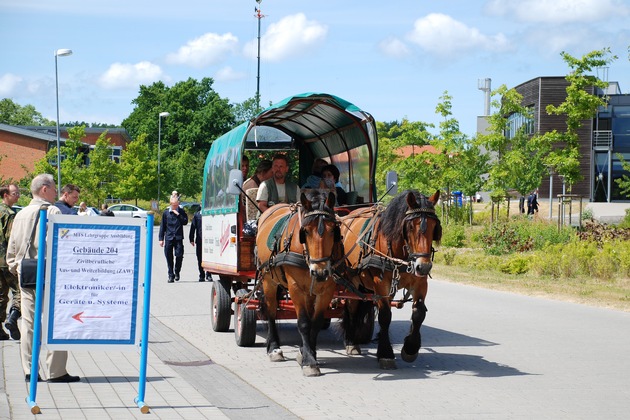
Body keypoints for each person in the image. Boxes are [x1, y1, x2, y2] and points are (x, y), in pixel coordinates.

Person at [6, 174, 80, 382]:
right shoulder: (52, 211)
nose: (57, 193)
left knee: (29, 322)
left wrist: (18, 268)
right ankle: (56, 370)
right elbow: (61, 245)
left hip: (27, 274)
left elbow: (11, 251)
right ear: (44, 189)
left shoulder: (19, 214)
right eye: (54, 188)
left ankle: (30, 370)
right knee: (57, 321)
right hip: (50, 273)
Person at [0, 183, 21, 340]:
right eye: (15, 193)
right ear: (5, 195)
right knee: (19, 291)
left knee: (1, 294)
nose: (18, 195)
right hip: (6, 260)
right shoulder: (10, 214)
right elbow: (11, 239)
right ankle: (12, 319)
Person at [159, 196, 188, 283]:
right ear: (170, 204)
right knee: (169, 256)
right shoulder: (166, 213)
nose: (175, 207)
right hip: (169, 237)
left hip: (178, 237)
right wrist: (161, 239)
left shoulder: (181, 212)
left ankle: (177, 271)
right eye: (173, 205)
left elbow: (185, 222)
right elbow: (162, 226)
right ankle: (171, 275)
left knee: (179, 255)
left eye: (176, 205)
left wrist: (178, 215)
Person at [189, 210, 207, 282]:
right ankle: (202, 274)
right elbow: (193, 227)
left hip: (209, 240)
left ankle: (209, 274)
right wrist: (191, 238)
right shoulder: (197, 215)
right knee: (200, 258)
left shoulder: (211, 213)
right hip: (199, 240)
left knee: (209, 258)